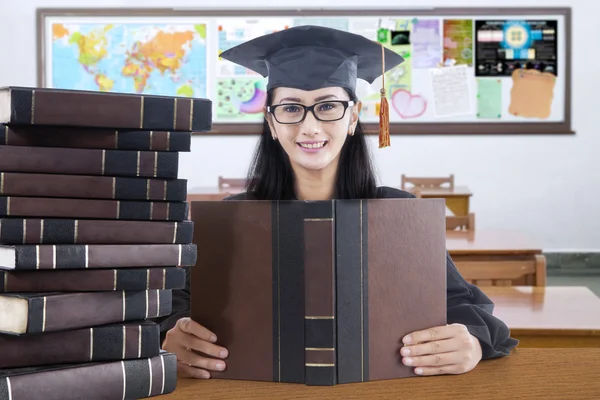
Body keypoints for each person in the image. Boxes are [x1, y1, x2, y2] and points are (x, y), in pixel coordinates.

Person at [158, 25, 518, 380]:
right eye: (291, 108)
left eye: (328, 106)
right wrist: (172, 334)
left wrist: (470, 340)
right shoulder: (232, 219)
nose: (310, 128)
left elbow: (468, 308)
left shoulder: (401, 216)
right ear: (271, 122)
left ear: (353, 116)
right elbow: (175, 305)